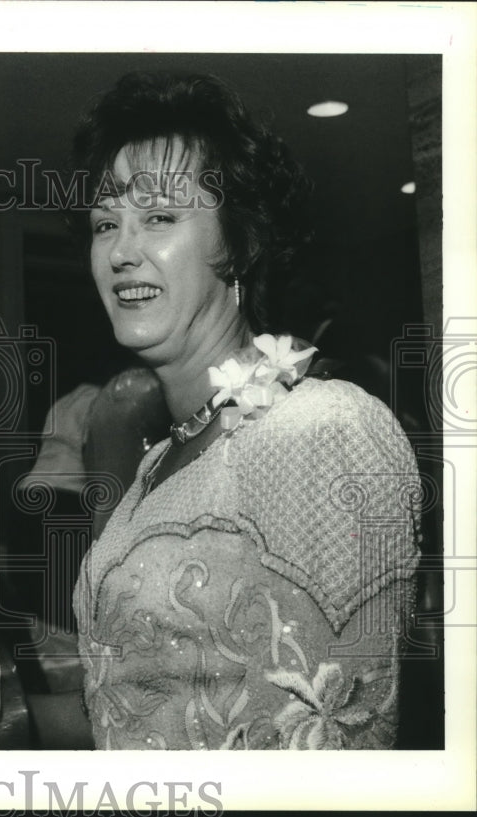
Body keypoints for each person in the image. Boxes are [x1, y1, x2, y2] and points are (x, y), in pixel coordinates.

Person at [69, 73, 421, 750]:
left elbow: (345, 737)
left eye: (160, 217)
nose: (120, 250)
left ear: (241, 240)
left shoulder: (324, 429)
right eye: (105, 223)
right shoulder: (153, 465)